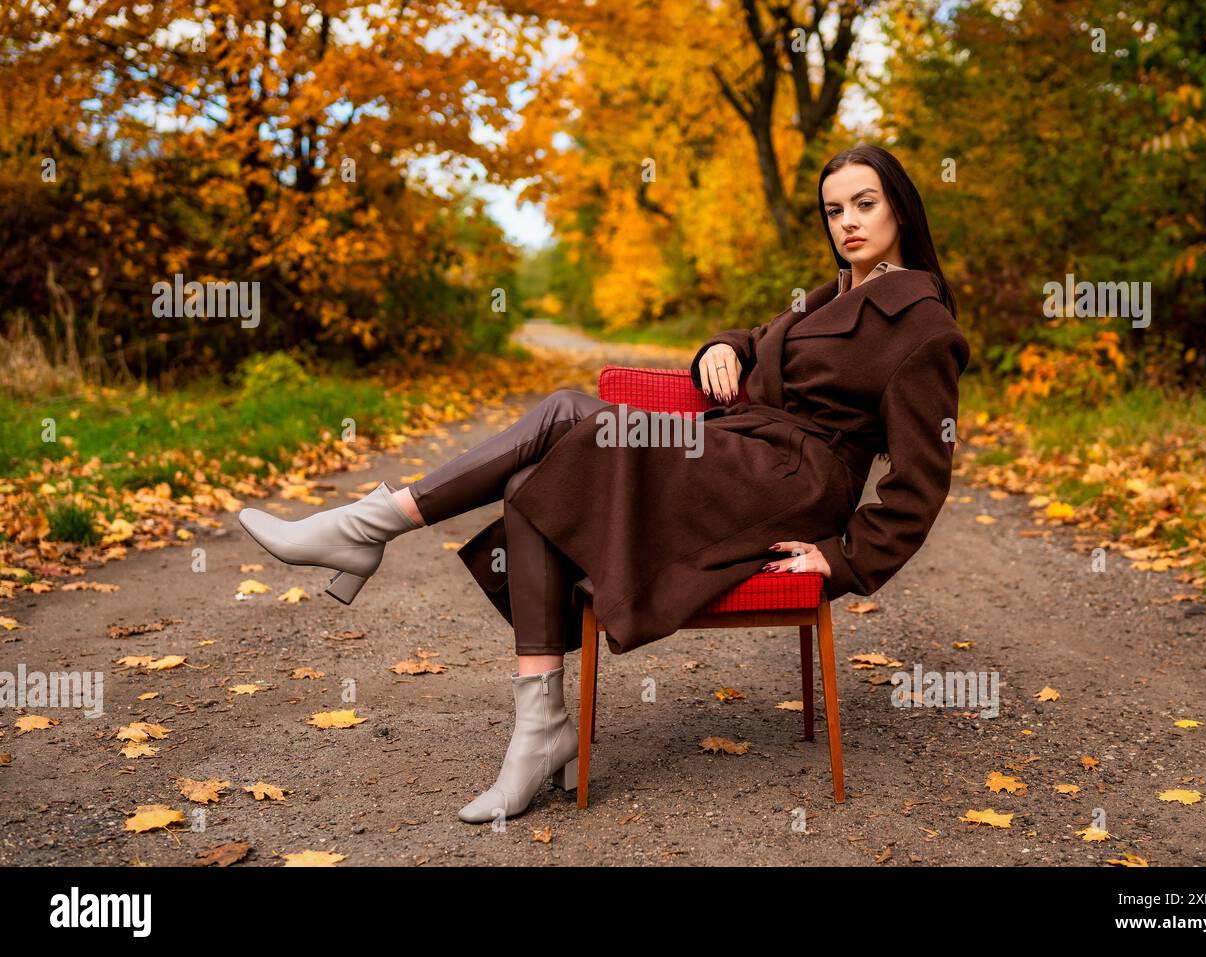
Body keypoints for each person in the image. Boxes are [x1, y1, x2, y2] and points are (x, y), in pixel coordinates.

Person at [237, 143, 970, 824]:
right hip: (740, 453)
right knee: (536, 468)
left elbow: (920, 480)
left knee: (562, 419)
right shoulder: (833, 289)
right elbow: (760, 340)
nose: (847, 222)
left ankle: (367, 528)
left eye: (864, 204)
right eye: (834, 209)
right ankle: (540, 726)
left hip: (791, 482)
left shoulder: (921, 324)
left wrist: (841, 560)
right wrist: (721, 346)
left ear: (900, 207)